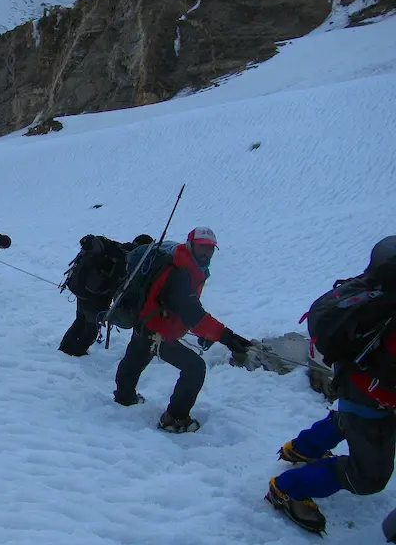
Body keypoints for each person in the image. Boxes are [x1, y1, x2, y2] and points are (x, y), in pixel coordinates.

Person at [266, 236, 396, 535]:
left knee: (353, 418)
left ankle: (302, 448)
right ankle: (287, 488)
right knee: (369, 478)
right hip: (369, 388)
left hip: (358, 376)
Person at [113, 226, 252, 433]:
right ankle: (174, 419)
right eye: (203, 247)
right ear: (190, 244)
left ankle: (124, 396)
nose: (207, 253)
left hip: (147, 321)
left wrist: (210, 334)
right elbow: (193, 313)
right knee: (194, 368)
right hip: (157, 330)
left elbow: (184, 310)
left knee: (136, 356)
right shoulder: (180, 272)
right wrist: (226, 337)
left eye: (211, 249)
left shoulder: (186, 264)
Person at [59, 233, 153, 357]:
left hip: (83, 288)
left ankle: (64, 348)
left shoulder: (116, 249)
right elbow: (118, 284)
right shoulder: (130, 259)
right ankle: (76, 353)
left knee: (81, 319)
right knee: (91, 329)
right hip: (97, 296)